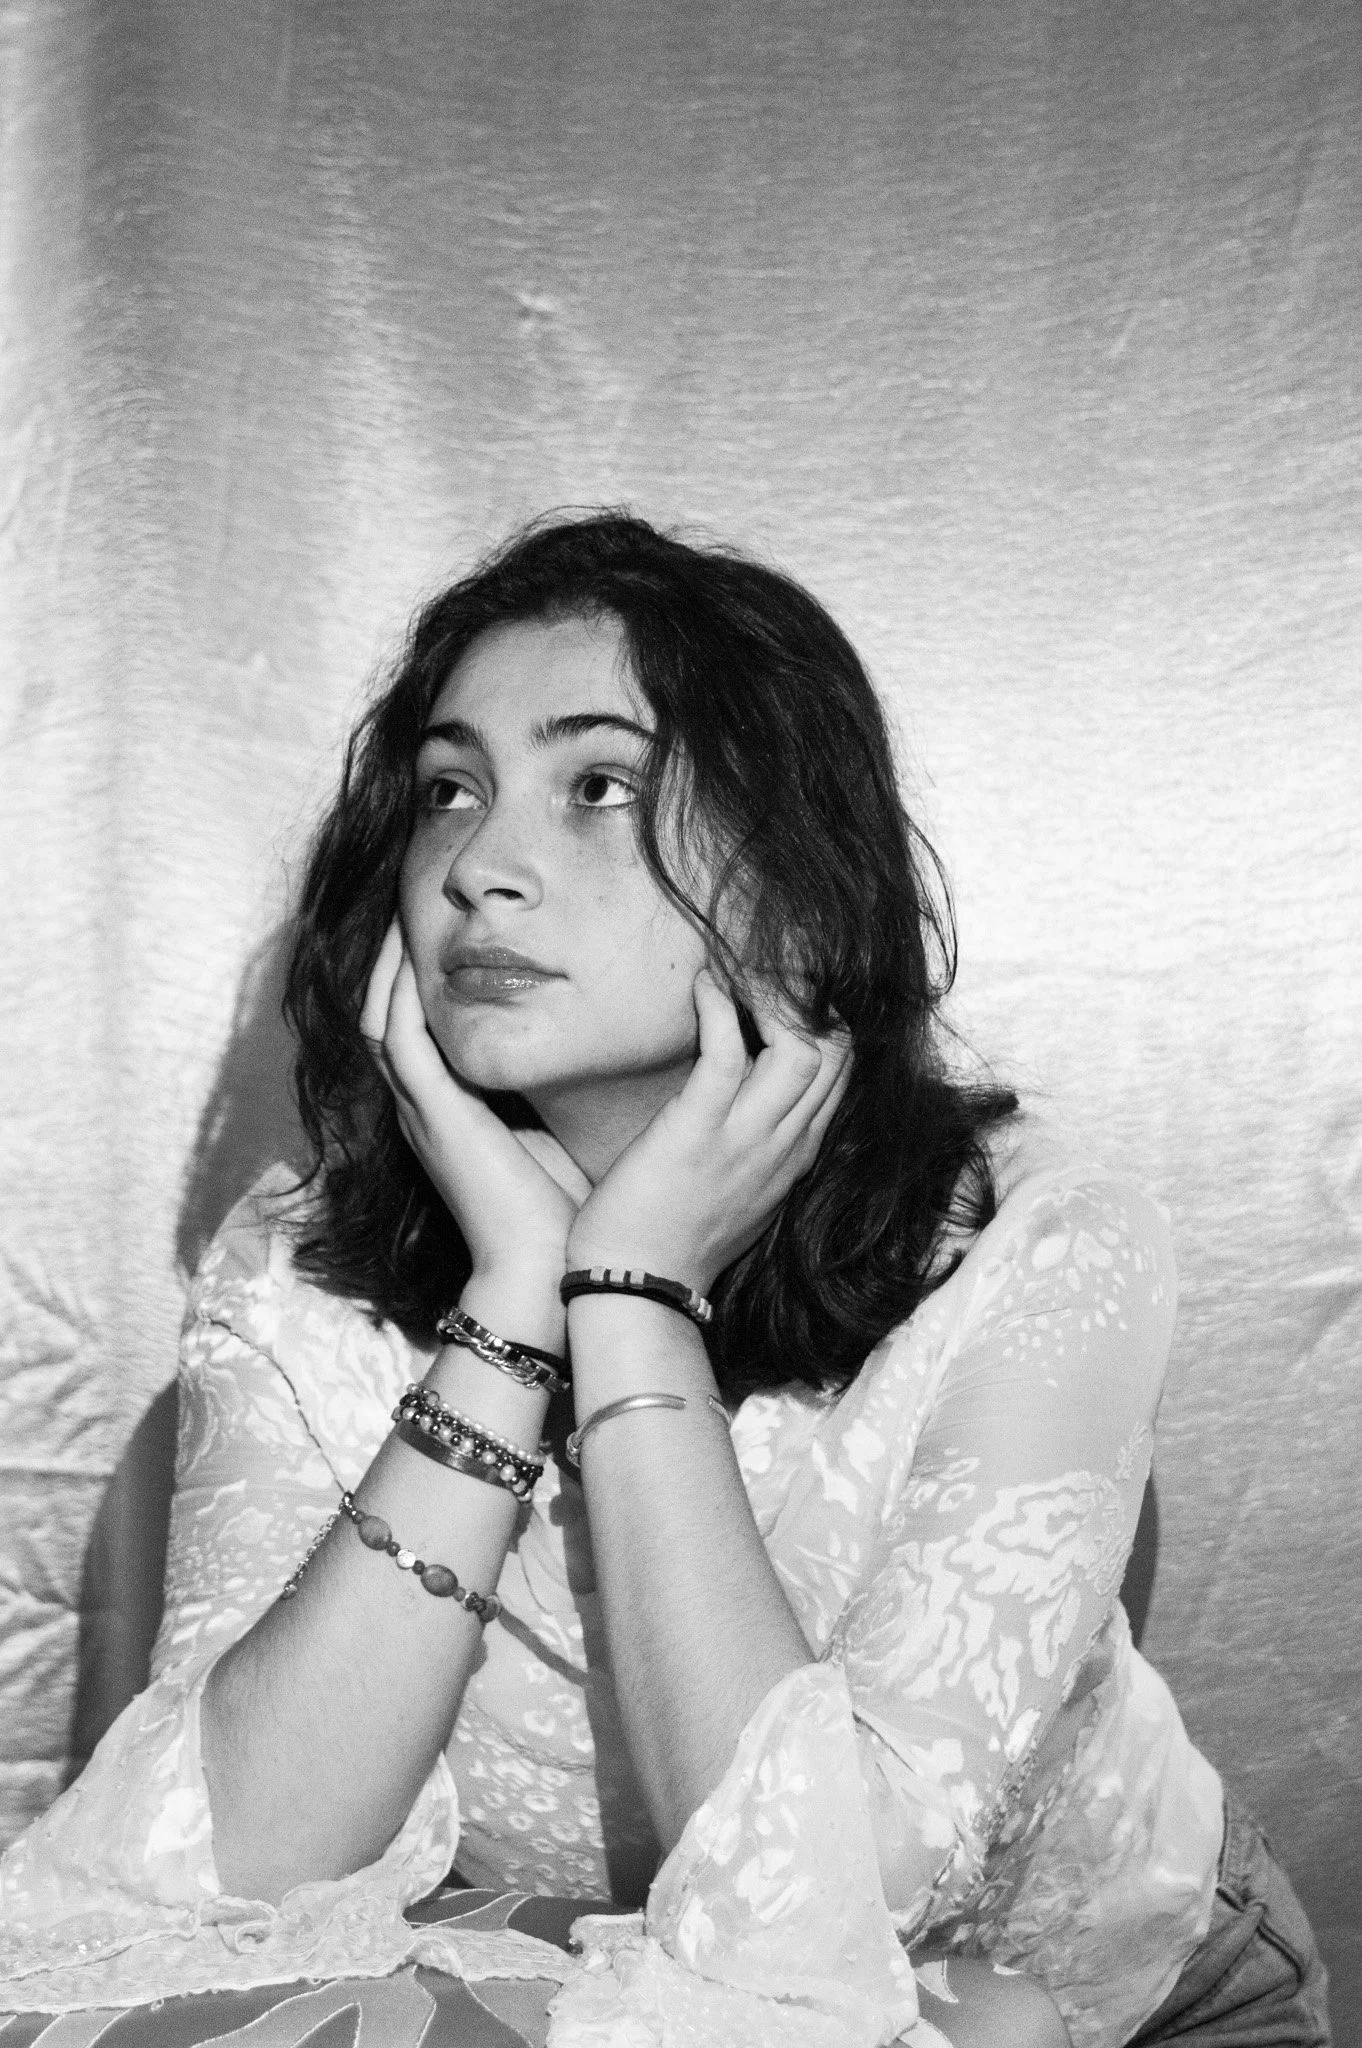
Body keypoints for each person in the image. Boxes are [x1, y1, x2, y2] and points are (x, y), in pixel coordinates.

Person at [0, 513, 1330, 2048]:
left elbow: (832, 1917)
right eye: (448, 790)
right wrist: (514, 1300)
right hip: (583, 1991)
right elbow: (224, 1876)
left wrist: (632, 1299)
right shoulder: (297, 1268)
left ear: (792, 876)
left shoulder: (1040, 1246)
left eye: (598, 787)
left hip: (1093, 2009)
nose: (478, 869)